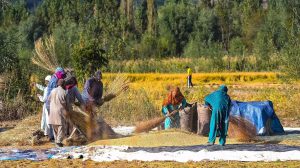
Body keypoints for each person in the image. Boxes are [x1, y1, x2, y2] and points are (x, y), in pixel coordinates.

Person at [48, 79, 67, 147]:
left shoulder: (53, 90)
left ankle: (56, 141)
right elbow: (65, 103)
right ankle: (58, 142)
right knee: (61, 126)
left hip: (52, 111)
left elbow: (48, 99)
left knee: (54, 126)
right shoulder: (63, 92)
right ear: (63, 84)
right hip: (59, 111)